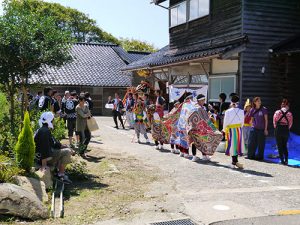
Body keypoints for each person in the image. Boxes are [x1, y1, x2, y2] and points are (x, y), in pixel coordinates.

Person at [34, 112, 73, 184]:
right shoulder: (45, 131)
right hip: (42, 158)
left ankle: (57, 171)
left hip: (40, 156)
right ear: (49, 120)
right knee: (67, 152)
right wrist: (44, 165)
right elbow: (44, 147)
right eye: (53, 120)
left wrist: (62, 146)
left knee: (62, 149)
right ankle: (60, 175)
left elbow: (53, 143)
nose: (54, 121)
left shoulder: (42, 129)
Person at [223, 95, 245, 169]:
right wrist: (239, 127)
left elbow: (225, 122)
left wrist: (224, 129)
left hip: (231, 129)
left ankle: (233, 162)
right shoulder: (241, 111)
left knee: (232, 146)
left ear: (231, 102)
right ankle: (235, 161)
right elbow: (242, 122)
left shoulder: (228, 111)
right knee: (237, 145)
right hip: (239, 129)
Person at [273, 98, 293, 165]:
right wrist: (287, 129)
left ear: (282, 105)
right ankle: (286, 160)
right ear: (287, 105)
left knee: (279, 145)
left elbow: (274, 122)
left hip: (278, 129)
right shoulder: (289, 114)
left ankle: (282, 161)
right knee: (284, 145)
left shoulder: (277, 112)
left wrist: (276, 128)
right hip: (286, 129)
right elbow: (290, 124)